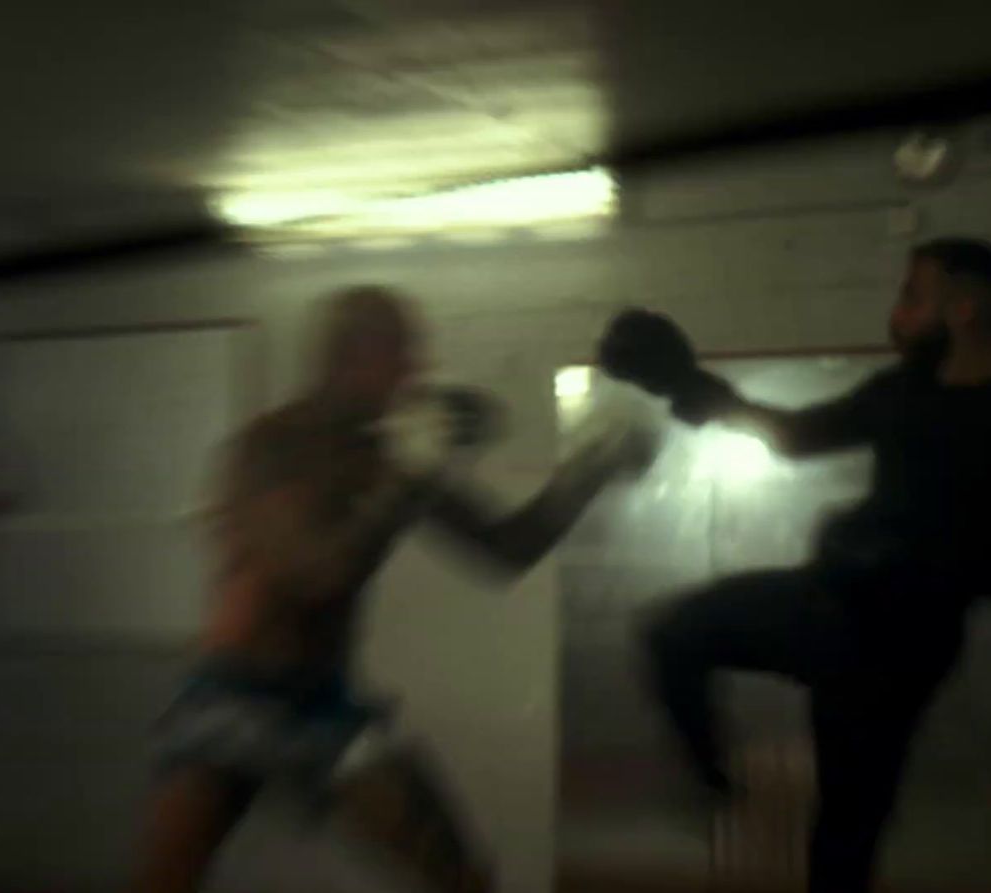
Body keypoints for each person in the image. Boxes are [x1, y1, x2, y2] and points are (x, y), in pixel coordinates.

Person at [599, 237, 991, 893]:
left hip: (901, 649)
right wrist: (692, 387)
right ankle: (722, 788)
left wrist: (931, 560)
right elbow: (799, 437)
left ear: (965, 309)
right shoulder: (903, 390)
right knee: (674, 634)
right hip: (829, 601)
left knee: (846, 832)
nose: (897, 312)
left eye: (912, 296)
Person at [137, 286, 654, 893]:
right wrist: (404, 478)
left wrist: (590, 467)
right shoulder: (271, 446)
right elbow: (311, 573)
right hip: (232, 693)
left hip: (322, 705)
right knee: (164, 882)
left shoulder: (391, 452)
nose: (419, 370)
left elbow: (507, 548)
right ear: (351, 357)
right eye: (403, 354)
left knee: (462, 878)